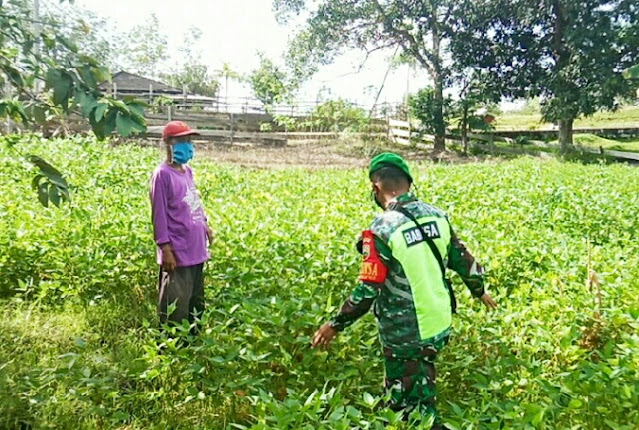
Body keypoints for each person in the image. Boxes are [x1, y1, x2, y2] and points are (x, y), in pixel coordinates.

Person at [312, 152, 497, 429]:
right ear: (409, 183)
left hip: (406, 332)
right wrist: (479, 291)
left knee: (406, 408)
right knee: (421, 381)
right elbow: (464, 260)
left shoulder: (380, 230)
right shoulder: (438, 216)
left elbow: (367, 289)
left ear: (376, 187)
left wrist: (335, 325)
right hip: (439, 321)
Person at [150, 121, 214, 332]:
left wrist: (205, 225)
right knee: (175, 308)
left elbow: (193, 201)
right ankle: (171, 353)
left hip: (195, 249)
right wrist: (165, 248)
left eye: (189, 141)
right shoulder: (162, 174)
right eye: (182, 141)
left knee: (195, 304)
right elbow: (159, 214)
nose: (188, 146)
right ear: (168, 143)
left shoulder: (187, 172)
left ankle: (193, 348)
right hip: (177, 253)